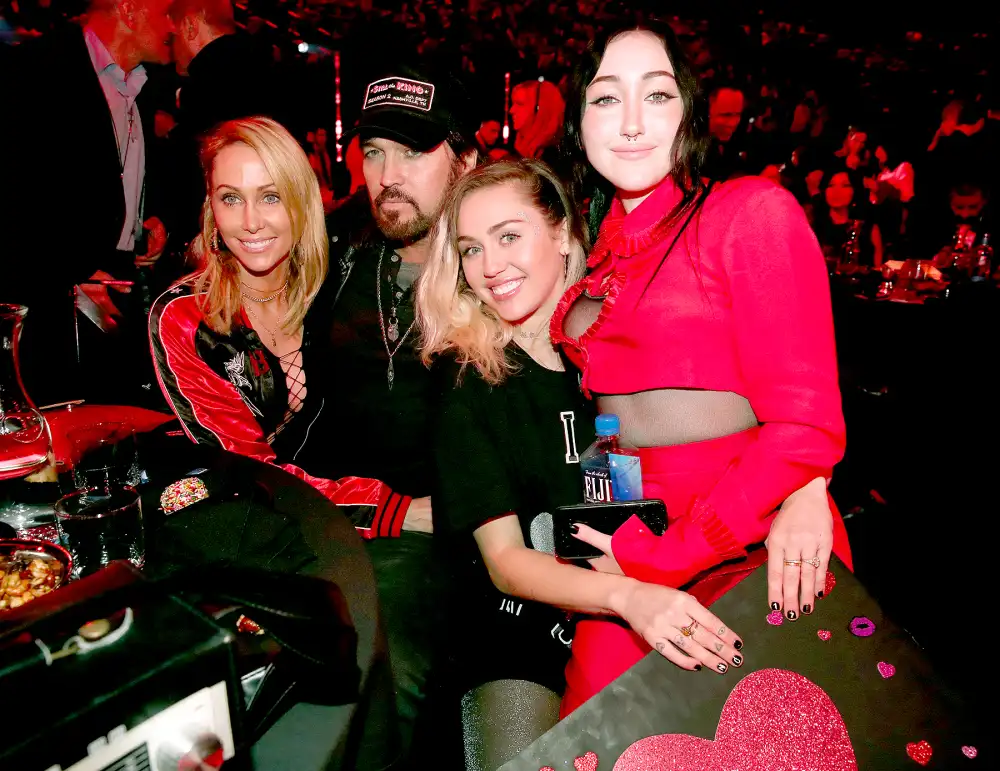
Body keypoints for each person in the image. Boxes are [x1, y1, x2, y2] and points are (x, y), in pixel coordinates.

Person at [551, 19, 852, 716]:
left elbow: (805, 425)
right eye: (605, 99)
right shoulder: (591, 247)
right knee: (590, 742)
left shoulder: (750, 213)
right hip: (633, 541)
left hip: (747, 536)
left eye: (655, 96)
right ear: (579, 120)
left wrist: (808, 487)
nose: (630, 123)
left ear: (688, 110)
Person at [418, 158, 744, 769]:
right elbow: (509, 565)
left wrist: (807, 486)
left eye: (509, 236)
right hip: (517, 635)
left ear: (564, 235)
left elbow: (738, 431)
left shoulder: (620, 345)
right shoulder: (465, 376)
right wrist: (631, 600)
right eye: (470, 249)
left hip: (638, 606)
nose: (489, 268)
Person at [305, 60, 479, 764]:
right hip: (329, 515)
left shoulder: (495, 266)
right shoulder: (339, 256)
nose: (389, 174)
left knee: (385, 664)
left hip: (438, 534)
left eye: (414, 151)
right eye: (374, 152)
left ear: (465, 161)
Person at [149, 117, 411, 531]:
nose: (250, 221)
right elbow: (246, 468)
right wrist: (389, 509)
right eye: (231, 199)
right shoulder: (187, 318)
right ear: (210, 207)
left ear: (301, 201)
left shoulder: (332, 282)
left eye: (270, 197)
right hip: (239, 512)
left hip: (327, 501)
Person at [0, 0, 174, 406]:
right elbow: (17, 201)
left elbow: (116, 182)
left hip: (114, 292)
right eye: (166, 11)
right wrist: (70, 275)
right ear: (129, 10)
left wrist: (150, 220)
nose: (172, 24)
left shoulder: (142, 86)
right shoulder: (32, 70)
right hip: (49, 309)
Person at [809, 168, 884, 269]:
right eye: (831, 185)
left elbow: (877, 269)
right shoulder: (812, 226)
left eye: (845, 185)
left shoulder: (868, 228)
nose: (837, 191)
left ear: (855, 190)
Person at [509, 78, 565, 163]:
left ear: (540, 109)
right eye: (513, 104)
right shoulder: (520, 151)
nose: (511, 110)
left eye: (520, 104)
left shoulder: (555, 159)